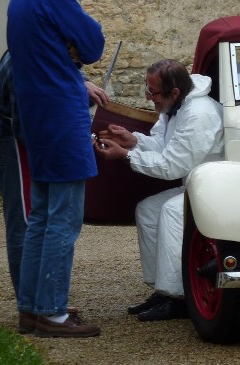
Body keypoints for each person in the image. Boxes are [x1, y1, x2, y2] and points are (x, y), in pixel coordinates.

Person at [7, 0, 105, 338]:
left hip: (35, 116)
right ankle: (52, 312)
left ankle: (31, 308)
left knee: (42, 218)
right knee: (64, 219)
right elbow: (93, 45)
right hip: (62, 116)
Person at [94, 59, 223, 321]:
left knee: (171, 212)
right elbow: (164, 145)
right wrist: (134, 140)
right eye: (147, 89)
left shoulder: (199, 114)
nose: (149, 97)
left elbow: (171, 165)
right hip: (195, 185)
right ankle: (163, 291)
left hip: (216, 189)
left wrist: (126, 156)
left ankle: (180, 298)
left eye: (152, 92)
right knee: (148, 209)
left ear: (174, 92)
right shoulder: (176, 105)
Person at [0, 50, 109, 300]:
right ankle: (31, 301)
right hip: (11, 138)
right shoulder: (28, 58)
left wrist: (81, 83)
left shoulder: (44, 47)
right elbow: (25, 120)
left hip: (26, 138)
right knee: (25, 220)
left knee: (36, 218)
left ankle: (38, 300)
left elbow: (59, 75)